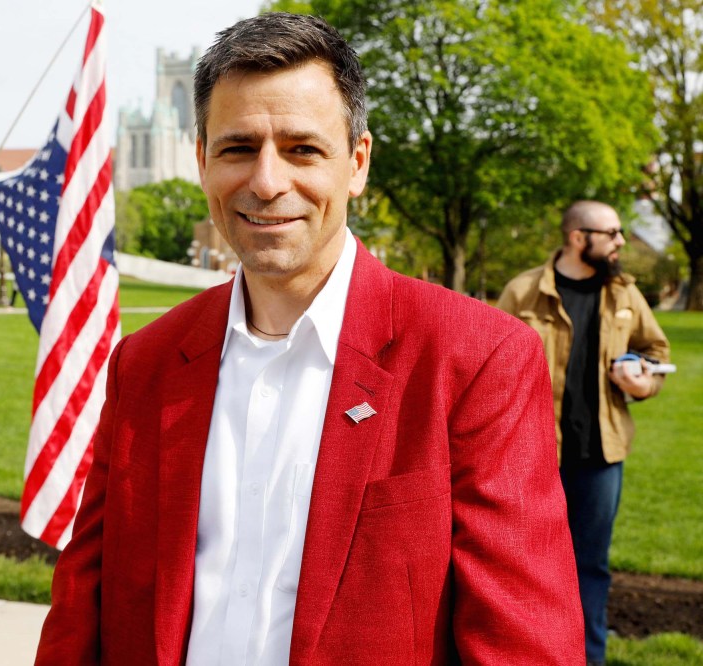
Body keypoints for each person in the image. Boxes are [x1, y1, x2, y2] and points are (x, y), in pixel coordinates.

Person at [35, 13, 584, 665]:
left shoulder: (474, 358)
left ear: (357, 162)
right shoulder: (146, 362)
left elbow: (523, 645)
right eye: (238, 148)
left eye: (302, 149)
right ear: (201, 159)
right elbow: (81, 612)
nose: (267, 182)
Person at [498, 200, 670, 666]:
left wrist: (644, 381)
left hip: (600, 457)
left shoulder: (624, 294)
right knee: (525, 566)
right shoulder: (523, 291)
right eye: (611, 233)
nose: (620, 241)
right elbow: (491, 366)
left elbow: (655, 350)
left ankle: (588, 658)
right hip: (532, 458)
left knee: (590, 567)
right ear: (579, 238)